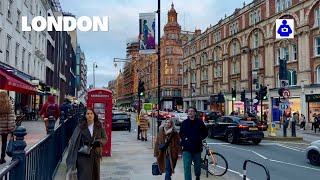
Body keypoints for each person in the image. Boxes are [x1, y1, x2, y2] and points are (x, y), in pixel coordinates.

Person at [66, 108, 107, 180]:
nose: (90, 115)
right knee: (83, 176)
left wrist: (98, 142)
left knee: (94, 176)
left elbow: (105, 138)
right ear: (85, 115)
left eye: (91, 114)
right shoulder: (80, 127)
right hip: (83, 155)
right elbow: (73, 141)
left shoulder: (99, 126)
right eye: (88, 114)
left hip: (95, 155)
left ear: (94, 115)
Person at [179, 107, 208, 180]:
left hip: (197, 148)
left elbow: (205, 133)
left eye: (192, 111)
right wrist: (184, 138)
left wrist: (199, 138)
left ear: (195, 113)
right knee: (187, 166)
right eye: (189, 111)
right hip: (186, 148)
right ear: (187, 113)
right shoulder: (184, 123)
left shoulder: (200, 122)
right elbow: (181, 133)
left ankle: (197, 175)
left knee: (197, 165)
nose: (190, 113)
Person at [0, 91, 16, 164]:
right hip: (5, 128)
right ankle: (2, 158)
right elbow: (11, 118)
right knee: (4, 142)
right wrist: (11, 128)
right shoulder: (9, 105)